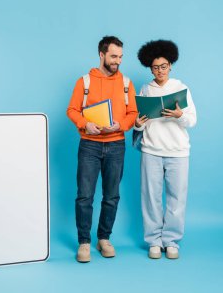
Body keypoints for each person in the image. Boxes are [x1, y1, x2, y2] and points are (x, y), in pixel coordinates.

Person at [67, 36, 137, 263]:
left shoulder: (126, 82)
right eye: (113, 56)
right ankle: (84, 242)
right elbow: (72, 110)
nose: (118, 61)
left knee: (112, 196)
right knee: (84, 196)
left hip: (117, 144)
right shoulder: (84, 81)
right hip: (89, 145)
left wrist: (123, 125)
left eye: (120, 57)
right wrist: (85, 124)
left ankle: (104, 238)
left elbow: (133, 113)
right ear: (102, 55)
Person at [134, 39, 197, 259]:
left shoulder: (181, 88)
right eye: (155, 67)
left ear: (170, 65)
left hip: (178, 152)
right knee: (150, 197)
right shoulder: (145, 89)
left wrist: (180, 115)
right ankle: (153, 240)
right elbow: (139, 122)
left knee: (176, 198)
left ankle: (171, 241)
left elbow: (192, 120)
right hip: (151, 150)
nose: (159, 71)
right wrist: (138, 123)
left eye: (163, 66)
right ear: (150, 68)